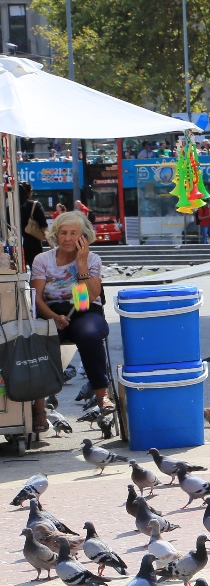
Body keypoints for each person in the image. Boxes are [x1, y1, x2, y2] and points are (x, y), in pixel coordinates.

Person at [31, 212, 112, 431]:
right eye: (63, 233)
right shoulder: (42, 260)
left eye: (73, 233)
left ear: (83, 237)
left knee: (89, 334)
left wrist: (82, 263)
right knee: (39, 338)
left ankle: (102, 395)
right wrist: (53, 316)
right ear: (56, 235)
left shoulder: (92, 259)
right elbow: (36, 298)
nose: (67, 238)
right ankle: (40, 406)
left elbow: (91, 296)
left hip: (83, 307)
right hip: (50, 310)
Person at [18, 182, 47, 269]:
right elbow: (43, 226)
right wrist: (51, 243)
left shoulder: (10, 207)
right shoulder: (35, 205)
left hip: (15, 244)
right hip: (33, 245)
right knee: (37, 272)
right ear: (29, 192)